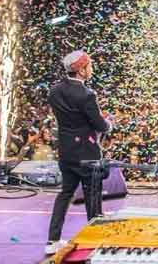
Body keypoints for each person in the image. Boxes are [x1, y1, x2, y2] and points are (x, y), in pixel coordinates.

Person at [45, 50, 112, 255]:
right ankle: (94, 238)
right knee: (93, 195)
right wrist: (108, 123)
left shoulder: (54, 91)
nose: (91, 69)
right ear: (81, 70)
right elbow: (99, 124)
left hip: (66, 151)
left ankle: (52, 240)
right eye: (89, 66)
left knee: (65, 193)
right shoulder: (87, 94)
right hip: (87, 153)